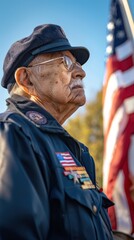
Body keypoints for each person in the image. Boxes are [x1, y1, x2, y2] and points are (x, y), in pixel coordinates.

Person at [0, 24, 114, 240]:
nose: (81, 72)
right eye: (66, 62)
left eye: (77, 63)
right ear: (26, 79)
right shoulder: (13, 134)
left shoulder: (75, 151)